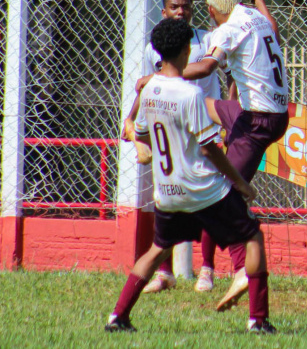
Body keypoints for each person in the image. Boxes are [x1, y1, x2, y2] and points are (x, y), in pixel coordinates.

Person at [105, 18, 274, 334]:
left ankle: (117, 316)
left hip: (167, 191)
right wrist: (239, 182)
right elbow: (209, 148)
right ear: (187, 50)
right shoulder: (190, 94)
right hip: (202, 189)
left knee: (156, 251)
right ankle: (259, 321)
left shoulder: (150, 88)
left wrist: (136, 136)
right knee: (253, 238)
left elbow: (138, 133)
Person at [177, 0, 290, 312]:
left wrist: (168, 75)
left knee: (220, 194)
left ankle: (240, 268)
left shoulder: (226, 30)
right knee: (204, 105)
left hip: (258, 120)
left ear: (212, 11)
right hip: (268, 112)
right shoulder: (254, 16)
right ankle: (214, 271)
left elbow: (206, 67)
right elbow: (275, 32)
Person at [121, 0, 223, 294]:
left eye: (186, 7)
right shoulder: (157, 45)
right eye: (175, 7)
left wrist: (228, 120)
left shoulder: (207, 40)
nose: (181, 11)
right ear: (164, 12)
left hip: (206, 128)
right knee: (168, 198)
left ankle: (207, 269)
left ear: (194, 11)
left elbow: (218, 76)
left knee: (210, 199)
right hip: (173, 131)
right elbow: (150, 87)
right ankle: (165, 272)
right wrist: (132, 119)